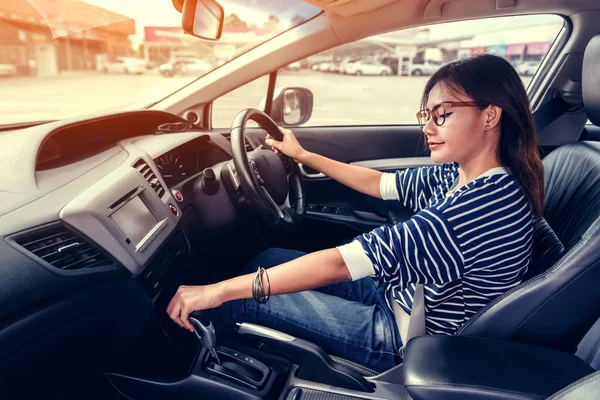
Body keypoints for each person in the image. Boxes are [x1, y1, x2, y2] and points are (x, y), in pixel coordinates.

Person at [167, 54, 544, 371]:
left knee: (238, 298)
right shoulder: (463, 173)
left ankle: (181, 371)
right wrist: (303, 155)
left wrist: (216, 292)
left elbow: (342, 264)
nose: (428, 127)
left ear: (490, 116)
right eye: (425, 115)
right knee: (268, 259)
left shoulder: (479, 206)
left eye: (442, 114)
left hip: (407, 335)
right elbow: (381, 185)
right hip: (405, 296)